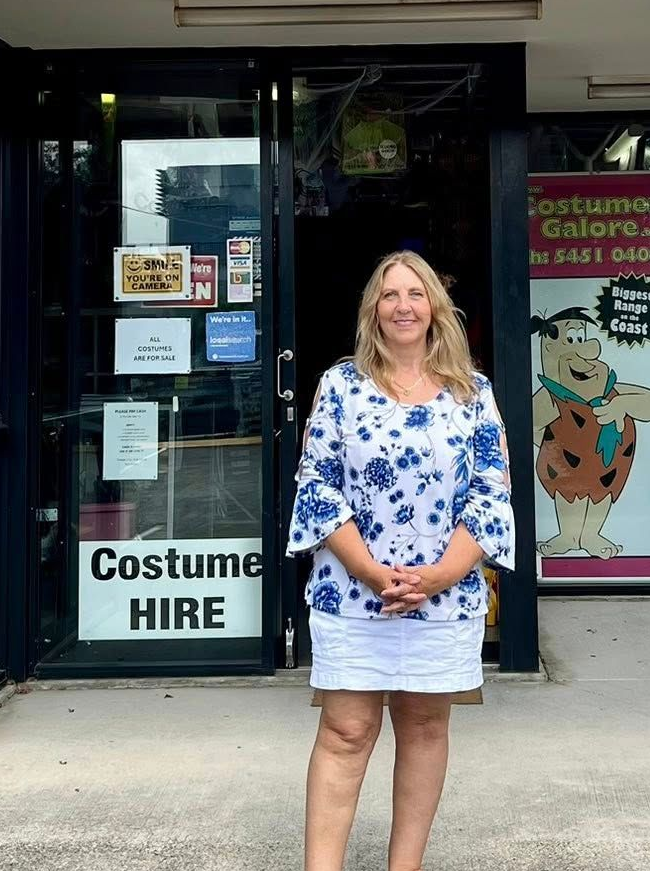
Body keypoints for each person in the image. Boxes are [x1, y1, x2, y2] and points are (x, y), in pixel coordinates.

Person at [288, 250, 515, 871]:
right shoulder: (340, 385)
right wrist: (369, 571)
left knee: (424, 730)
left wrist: (439, 576)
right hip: (351, 592)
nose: (403, 306)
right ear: (373, 310)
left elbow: (491, 493)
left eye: (416, 294)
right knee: (345, 732)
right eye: (390, 295)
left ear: (436, 308)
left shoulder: (473, 392)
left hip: (444, 597)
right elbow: (317, 484)